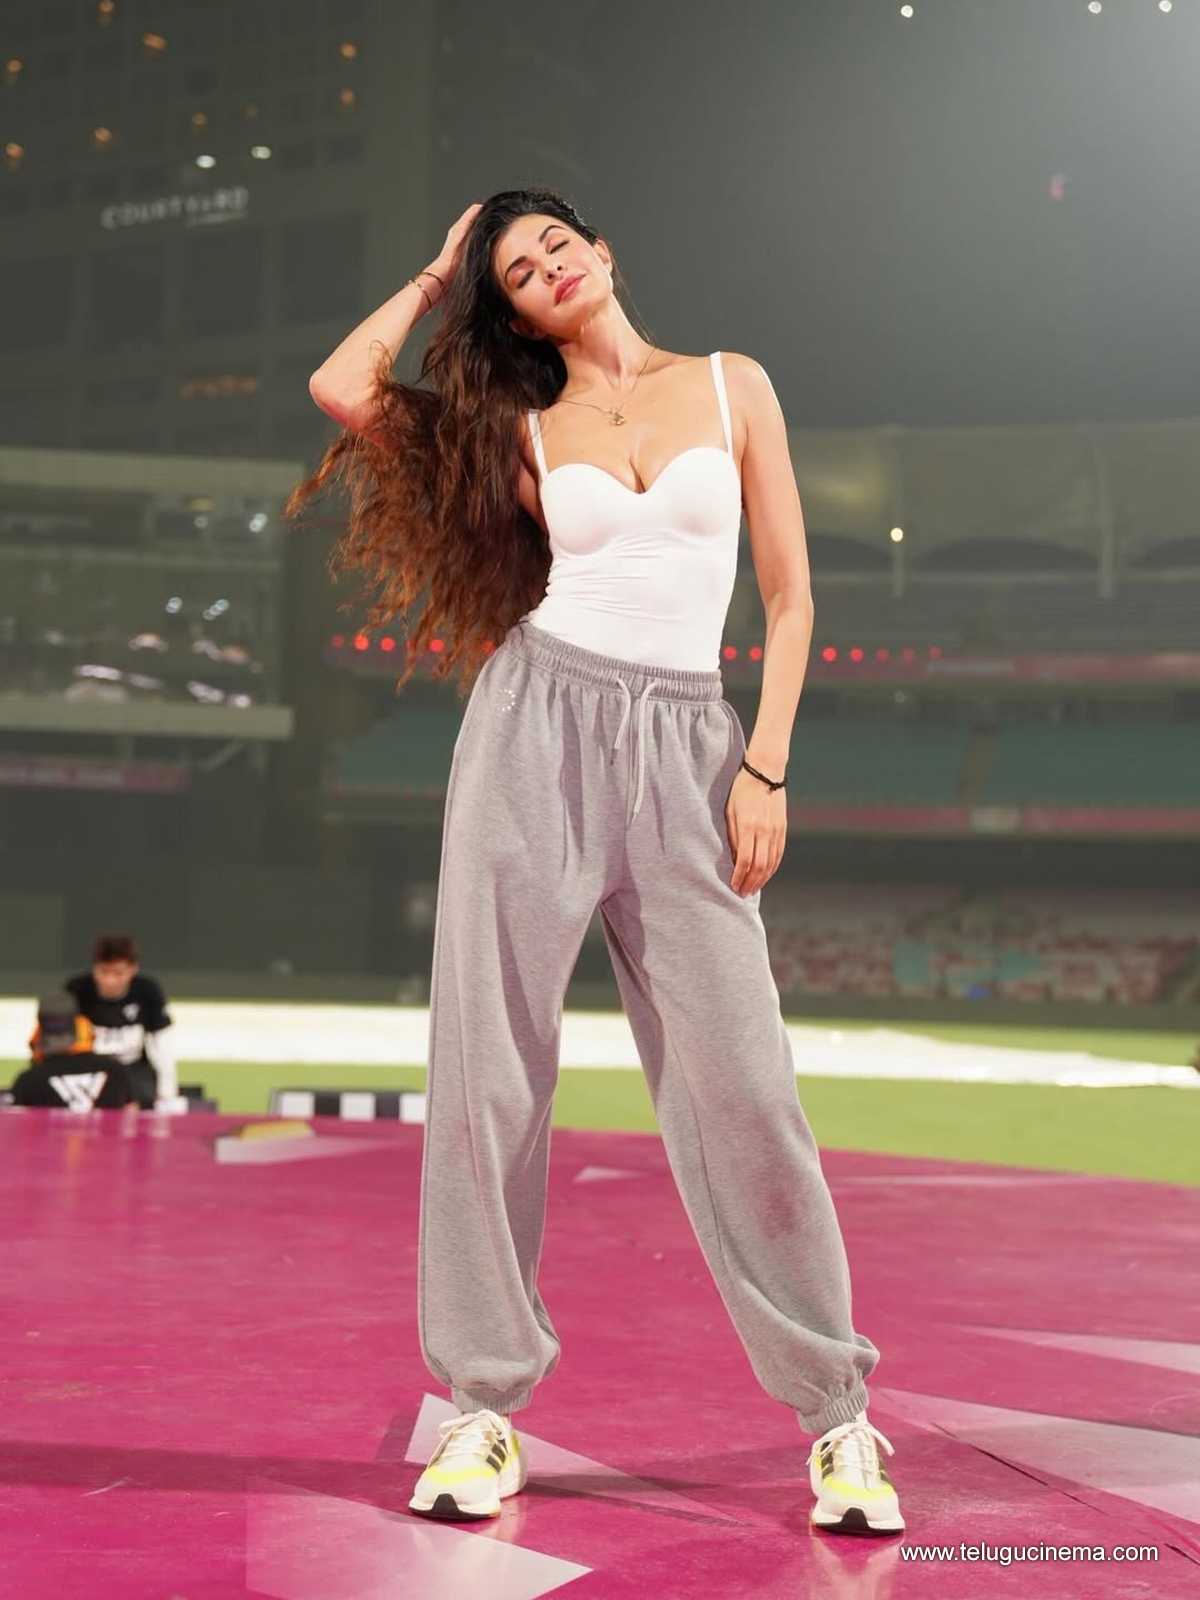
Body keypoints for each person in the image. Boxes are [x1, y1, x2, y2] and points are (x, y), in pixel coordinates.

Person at [295, 189, 903, 1537]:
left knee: (747, 1089)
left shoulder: (734, 384)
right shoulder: (516, 429)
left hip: (692, 753)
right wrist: (436, 272)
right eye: (517, 269)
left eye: (556, 243)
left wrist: (765, 767)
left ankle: (838, 1415)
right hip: (535, 731)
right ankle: (483, 1405)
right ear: (513, 312)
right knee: (491, 1073)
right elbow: (343, 387)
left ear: (605, 250)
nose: (546, 266)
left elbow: (791, 595)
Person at [63, 933, 187, 1114]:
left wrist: (167, 1093)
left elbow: (162, 1045)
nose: (109, 981)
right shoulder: (76, 991)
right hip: (89, 1072)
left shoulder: (148, 991)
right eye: (103, 972)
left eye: (118, 973)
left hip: (133, 1071)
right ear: (94, 968)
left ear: (133, 969)